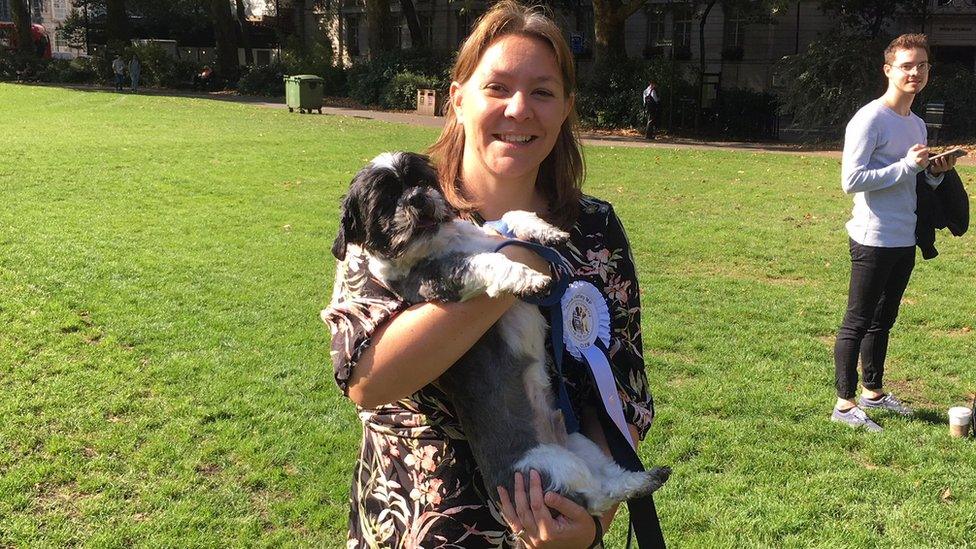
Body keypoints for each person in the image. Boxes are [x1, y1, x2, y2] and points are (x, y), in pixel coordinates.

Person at [322, 1, 658, 546]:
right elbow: (366, 381)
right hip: (423, 529)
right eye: (497, 87)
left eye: (543, 92)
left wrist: (590, 520)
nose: (519, 109)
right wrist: (517, 260)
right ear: (457, 99)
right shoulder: (385, 221)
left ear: (567, 108)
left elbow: (619, 387)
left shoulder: (594, 228)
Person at [831, 33, 958, 432]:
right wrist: (906, 165)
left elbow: (913, 182)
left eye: (921, 65)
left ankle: (873, 392)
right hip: (872, 237)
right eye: (906, 65)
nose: (914, 72)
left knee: (883, 320)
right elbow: (851, 180)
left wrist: (934, 174)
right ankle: (844, 404)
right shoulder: (870, 118)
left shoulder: (917, 123)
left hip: (904, 236)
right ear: (888, 70)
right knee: (858, 321)